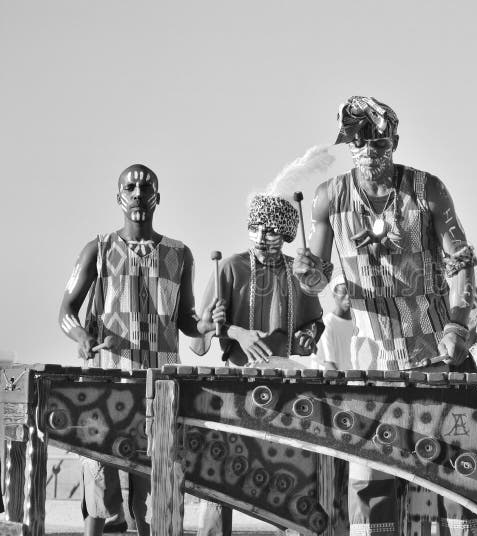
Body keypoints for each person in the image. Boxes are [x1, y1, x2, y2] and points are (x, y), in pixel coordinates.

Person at [293, 96, 477, 535]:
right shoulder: (327, 198)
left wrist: (457, 323)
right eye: (357, 144)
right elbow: (319, 280)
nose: (368, 152)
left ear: (394, 140)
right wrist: (307, 275)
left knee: (451, 479)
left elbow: (462, 262)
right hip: (369, 356)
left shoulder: (428, 188)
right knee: (370, 484)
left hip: (432, 351)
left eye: (377, 142)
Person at [58, 164, 221, 536]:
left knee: (155, 488)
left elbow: (186, 321)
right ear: (119, 198)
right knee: (100, 480)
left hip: (160, 386)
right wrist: (82, 338)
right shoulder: (96, 250)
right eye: (129, 187)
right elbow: (65, 312)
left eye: (145, 187)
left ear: (157, 198)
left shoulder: (181, 254)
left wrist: (207, 326)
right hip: (107, 382)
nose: (137, 193)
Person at [190, 191, 324, 536]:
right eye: (256, 228)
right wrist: (235, 331)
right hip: (236, 384)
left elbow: (313, 325)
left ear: (286, 235)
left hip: (285, 386)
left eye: (270, 230)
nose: (262, 236)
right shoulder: (230, 266)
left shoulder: (299, 272)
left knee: (292, 476)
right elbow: (197, 334)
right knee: (219, 476)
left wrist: (309, 336)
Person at [313, 273, 356, 370]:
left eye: (351, 293)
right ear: (334, 295)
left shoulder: (357, 325)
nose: (348, 297)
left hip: (349, 380)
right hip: (331, 381)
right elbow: (329, 365)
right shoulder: (327, 323)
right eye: (343, 292)